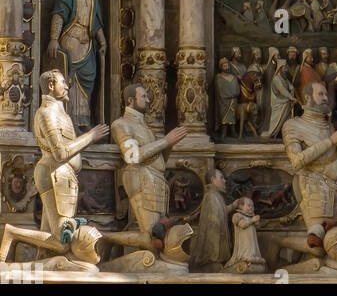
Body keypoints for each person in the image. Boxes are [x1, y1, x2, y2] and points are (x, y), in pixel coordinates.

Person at [33, 70, 109, 244]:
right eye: (63, 83)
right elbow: (59, 153)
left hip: (62, 175)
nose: (67, 86)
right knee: (62, 237)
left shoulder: (60, 113)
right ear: (51, 86)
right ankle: (12, 234)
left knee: (49, 237)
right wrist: (90, 136)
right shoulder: (47, 113)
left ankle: (41, 266)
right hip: (55, 174)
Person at [110, 83, 188, 252]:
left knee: (160, 233)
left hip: (155, 179)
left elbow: (159, 159)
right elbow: (132, 156)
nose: (148, 100)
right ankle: (105, 238)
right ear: (130, 100)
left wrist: (169, 145)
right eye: (143, 97)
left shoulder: (145, 128)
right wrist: (166, 141)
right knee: (152, 237)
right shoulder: (121, 124)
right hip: (142, 178)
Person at [282, 78, 337, 249]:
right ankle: (282, 245)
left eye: (326, 94)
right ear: (307, 99)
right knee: (319, 244)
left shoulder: (329, 125)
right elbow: (296, 161)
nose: (325, 98)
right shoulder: (293, 125)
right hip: (314, 187)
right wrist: (331, 141)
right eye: (320, 94)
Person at [45, 0, 106, 132]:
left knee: (89, 80)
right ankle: (69, 121)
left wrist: (102, 41)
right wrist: (54, 39)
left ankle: (83, 121)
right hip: (71, 40)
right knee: (69, 80)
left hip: (88, 44)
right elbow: (59, 14)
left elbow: (95, 22)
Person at [189, 169, 234, 272]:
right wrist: (215, 255)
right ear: (213, 180)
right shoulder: (211, 197)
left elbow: (221, 212)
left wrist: (233, 205)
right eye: (221, 178)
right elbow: (212, 227)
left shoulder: (216, 196)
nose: (224, 181)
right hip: (214, 255)